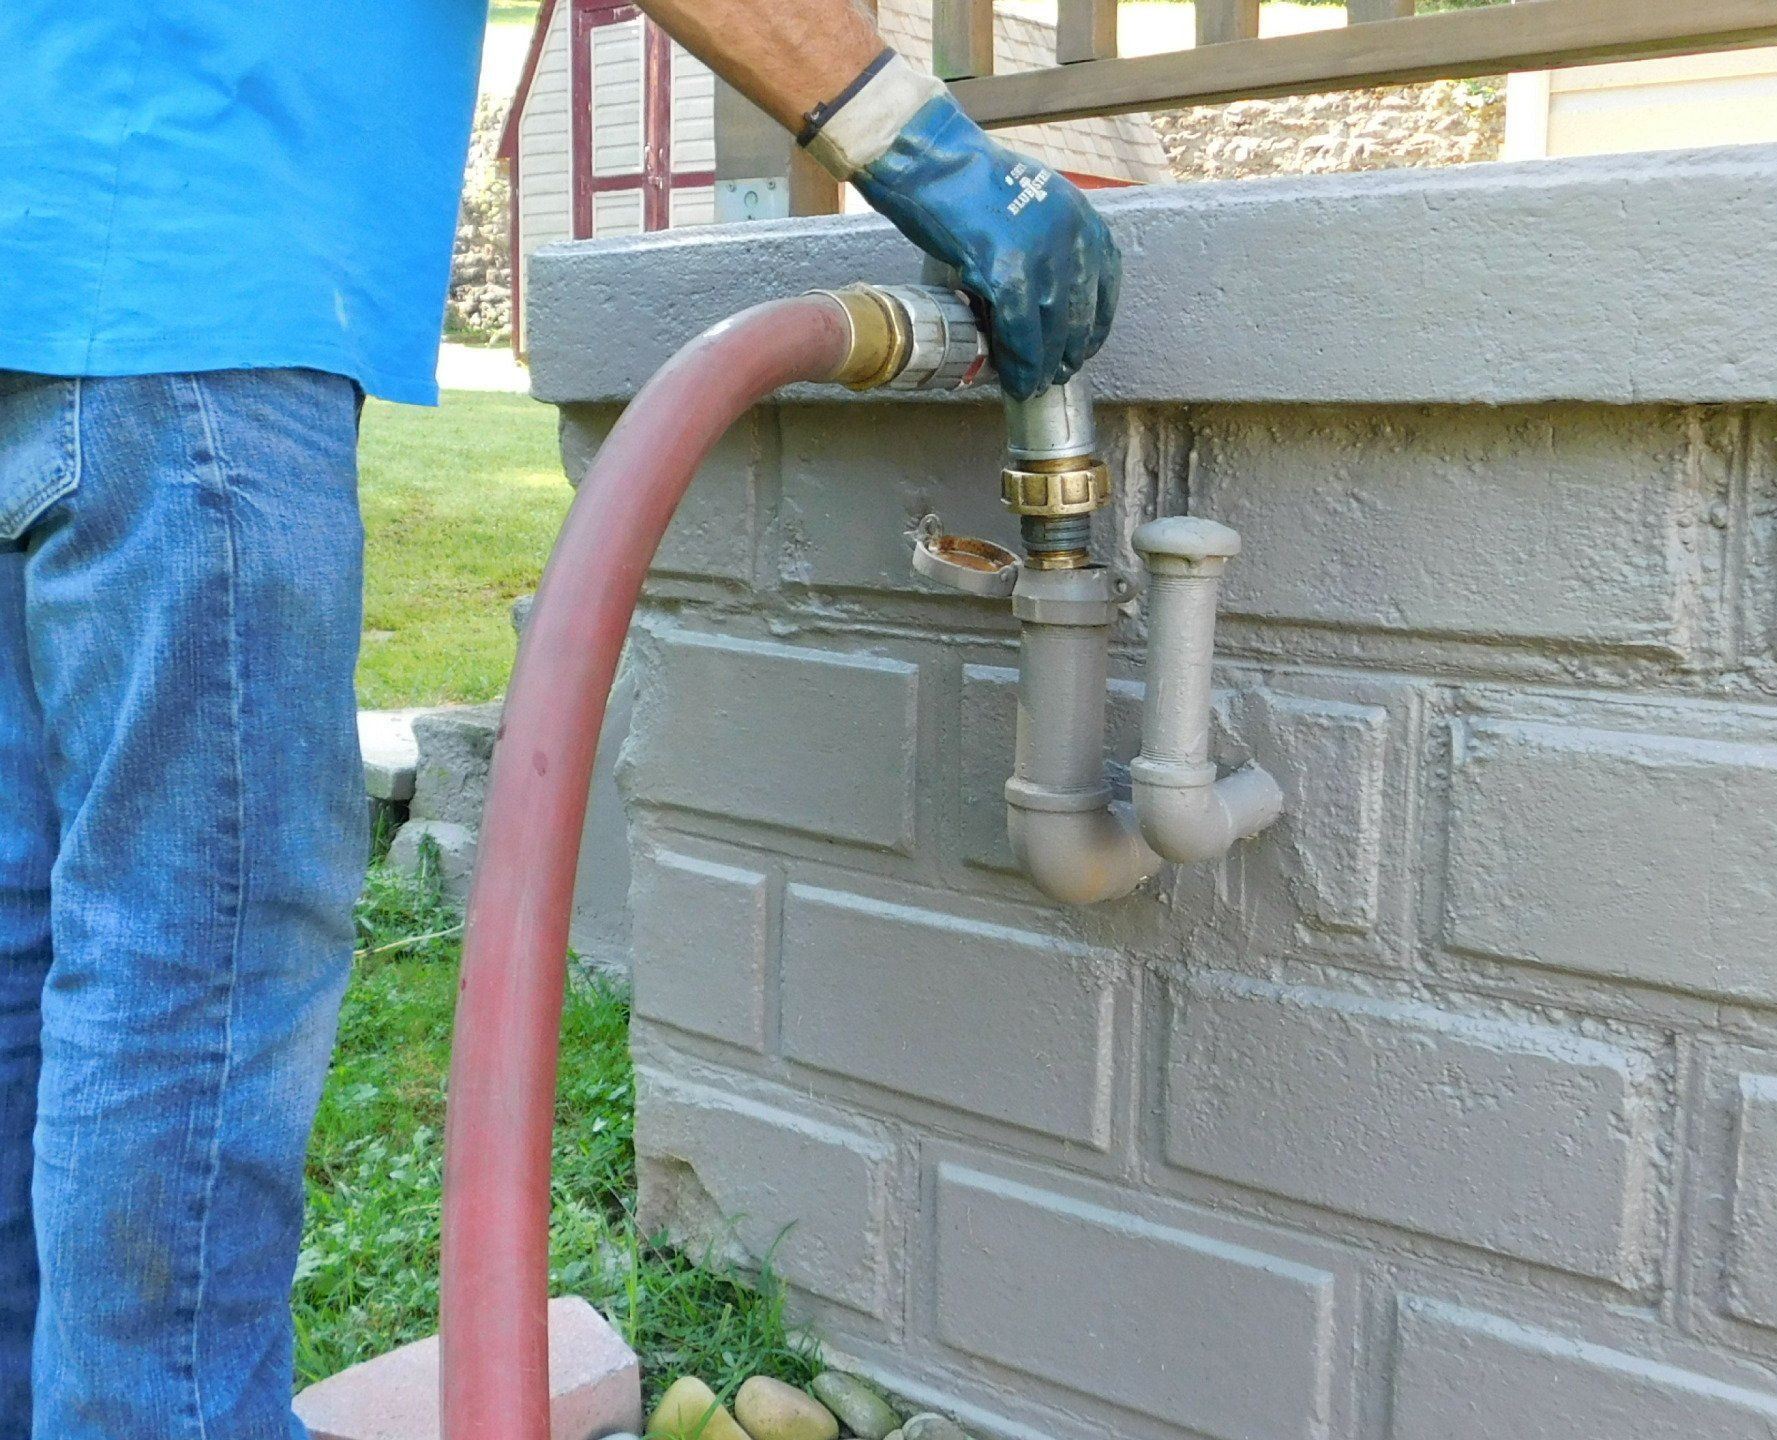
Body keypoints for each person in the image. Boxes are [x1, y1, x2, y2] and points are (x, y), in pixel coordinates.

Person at [0, 3, 1120, 1436]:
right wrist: (935, 157)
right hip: (186, 284)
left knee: (36, 935)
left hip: (49, 263)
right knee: (194, 953)